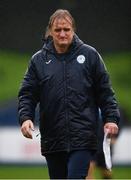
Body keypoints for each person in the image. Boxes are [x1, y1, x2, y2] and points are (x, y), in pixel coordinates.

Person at [18, 9, 120, 179]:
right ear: (51, 31)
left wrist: (111, 118)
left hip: (83, 137)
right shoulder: (38, 60)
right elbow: (27, 94)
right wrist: (25, 118)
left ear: (73, 30)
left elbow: (105, 91)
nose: (62, 34)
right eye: (58, 30)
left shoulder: (90, 55)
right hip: (53, 138)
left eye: (66, 29)